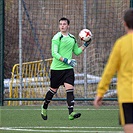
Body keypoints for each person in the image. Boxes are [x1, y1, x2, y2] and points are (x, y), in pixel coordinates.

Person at [41, 17, 92, 120]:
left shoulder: (72, 38)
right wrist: (66, 60)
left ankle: (71, 113)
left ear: (68, 26)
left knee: (70, 90)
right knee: (53, 90)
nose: (62, 26)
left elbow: (77, 51)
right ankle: (44, 106)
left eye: (64, 24)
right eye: (60, 24)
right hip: (57, 69)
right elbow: (54, 53)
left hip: (68, 69)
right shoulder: (56, 38)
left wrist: (85, 45)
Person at [93, 8, 133, 133]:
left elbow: (109, 70)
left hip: (127, 95)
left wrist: (100, 92)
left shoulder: (121, 44)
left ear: (125, 24)